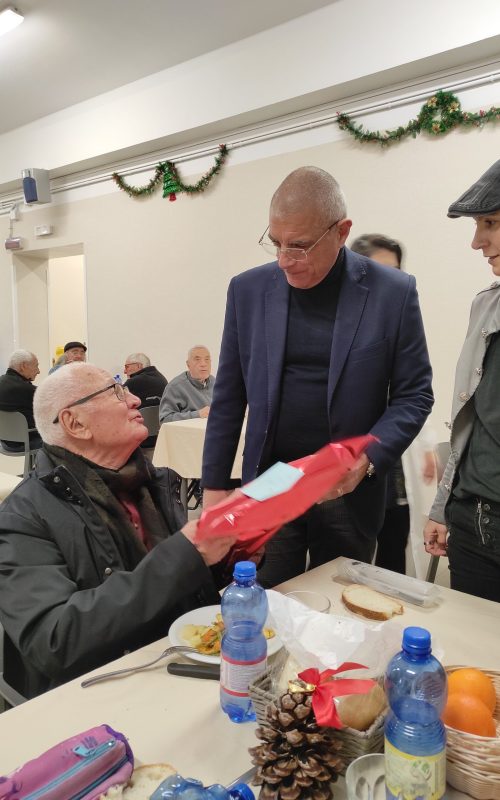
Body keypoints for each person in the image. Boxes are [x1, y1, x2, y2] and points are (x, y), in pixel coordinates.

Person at [202, 166, 433, 587]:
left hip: (347, 490)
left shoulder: (392, 292)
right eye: (276, 244)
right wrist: (214, 489)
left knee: (340, 610)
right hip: (273, 481)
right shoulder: (248, 290)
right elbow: (230, 396)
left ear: (341, 232)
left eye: (301, 246)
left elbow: (414, 395)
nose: (285, 260)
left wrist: (365, 462)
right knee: (269, 601)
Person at [0, 363, 237, 698]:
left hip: (178, 664)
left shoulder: (152, 481)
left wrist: (230, 555)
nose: (136, 400)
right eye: (115, 392)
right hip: (101, 692)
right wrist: (187, 553)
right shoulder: (24, 516)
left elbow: (181, 583)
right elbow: (53, 641)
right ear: (75, 423)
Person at [425, 158, 500, 603]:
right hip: (473, 523)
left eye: (490, 222)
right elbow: (468, 422)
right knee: (478, 663)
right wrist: (443, 507)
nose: (477, 241)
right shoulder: (484, 307)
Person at [350, 234, 436, 575]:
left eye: (397, 271)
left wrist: (426, 445)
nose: (392, 281)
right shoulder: (345, 325)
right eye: (380, 270)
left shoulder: (401, 318)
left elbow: (413, 390)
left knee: (393, 543)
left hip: (392, 466)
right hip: (353, 465)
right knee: (350, 561)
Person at [159, 346, 215, 423]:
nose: (203, 364)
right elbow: (165, 419)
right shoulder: (175, 387)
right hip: (190, 433)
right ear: (188, 364)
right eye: (197, 359)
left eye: (207, 359)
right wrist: (197, 415)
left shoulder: (214, 382)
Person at [0, 349, 42, 450]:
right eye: (36, 366)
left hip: (5, 441)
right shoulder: (27, 390)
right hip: (27, 442)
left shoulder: (2, 381)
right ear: (23, 366)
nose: (39, 371)